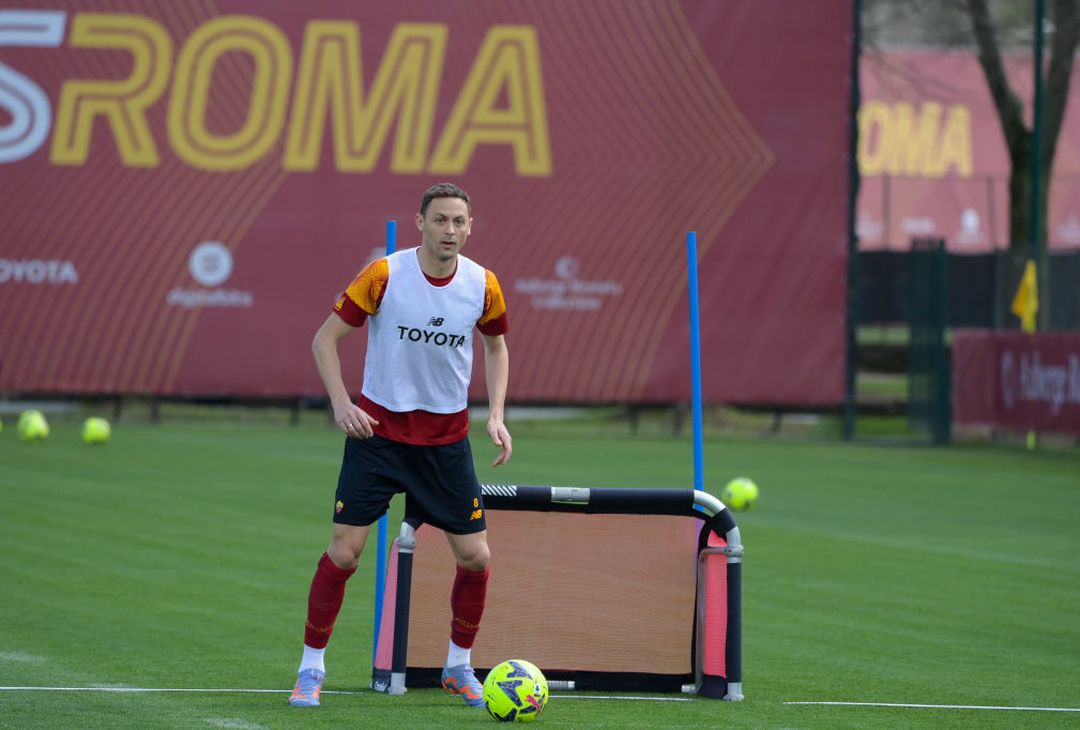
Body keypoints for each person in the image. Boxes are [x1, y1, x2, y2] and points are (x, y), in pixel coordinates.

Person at [288, 182, 511, 708]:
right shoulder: (383, 274)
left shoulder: (483, 284)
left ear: (470, 227)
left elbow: (496, 347)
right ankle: (310, 669)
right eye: (440, 220)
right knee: (345, 553)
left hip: (445, 443)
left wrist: (497, 414)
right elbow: (324, 340)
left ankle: (458, 666)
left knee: (476, 558)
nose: (449, 230)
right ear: (420, 223)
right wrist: (341, 404)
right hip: (378, 437)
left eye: (459, 221)